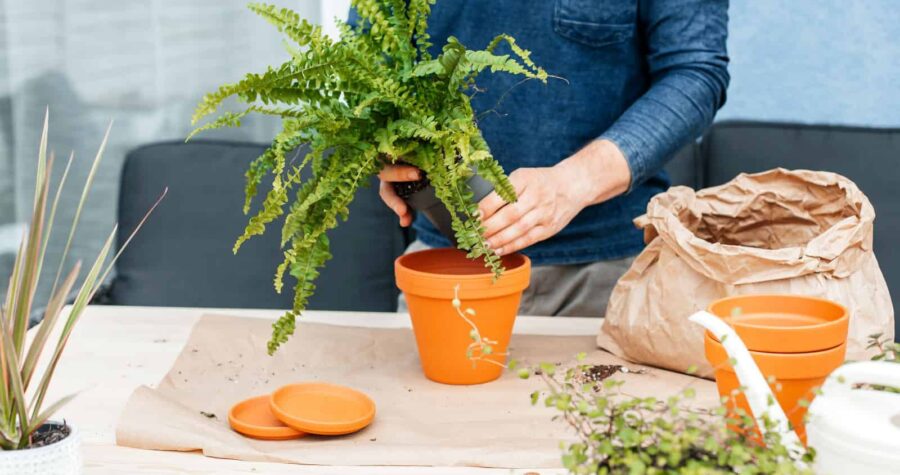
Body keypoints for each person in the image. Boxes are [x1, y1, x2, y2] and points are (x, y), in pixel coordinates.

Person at [369, 0, 730, 316]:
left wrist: (574, 182)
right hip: (444, 269)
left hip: (604, 277)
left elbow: (695, 73)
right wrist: (381, 144)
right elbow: (369, 60)